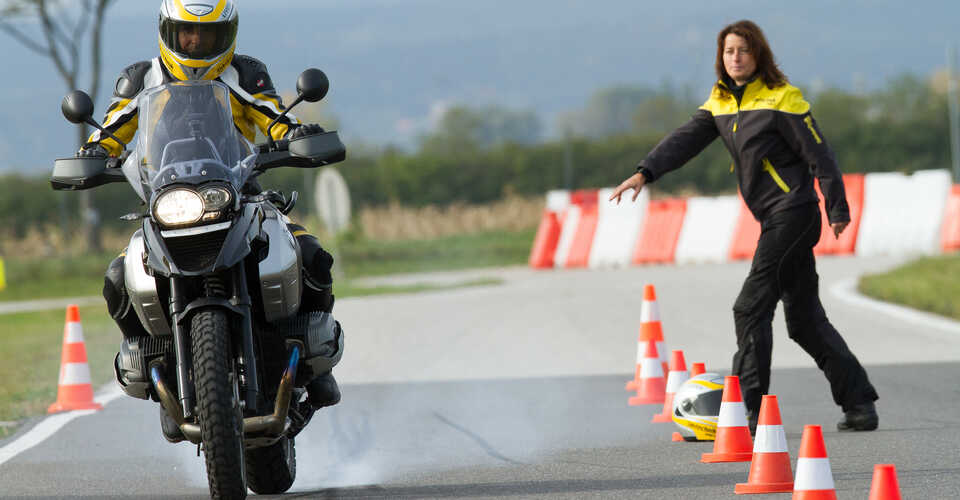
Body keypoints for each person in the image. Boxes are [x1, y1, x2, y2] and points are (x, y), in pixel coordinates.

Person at [81, 0, 342, 441]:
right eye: (187, 33)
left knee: (311, 255)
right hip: (168, 201)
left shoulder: (246, 72)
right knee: (116, 279)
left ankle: (314, 373)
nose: (196, 42)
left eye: (206, 35)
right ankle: (160, 364)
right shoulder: (140, 78)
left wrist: (295, 134)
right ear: (168, 32)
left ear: (227, 35)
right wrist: (93, 152)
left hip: (241, 193)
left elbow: (271, 115)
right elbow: (112, 128)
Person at [609, 20, 878, 432]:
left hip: (795, 213)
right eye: (729, 51)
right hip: (775, 218)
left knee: (749, 307)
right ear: (721, 58)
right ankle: (859, 404)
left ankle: (745, 412)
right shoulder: (719, 103)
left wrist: (837, 208)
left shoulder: (781, 99)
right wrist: (644, 172)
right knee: (804, 322)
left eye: (743, 51)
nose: (735, 58)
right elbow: (683, 141)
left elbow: (820, 156)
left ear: (758, 56)